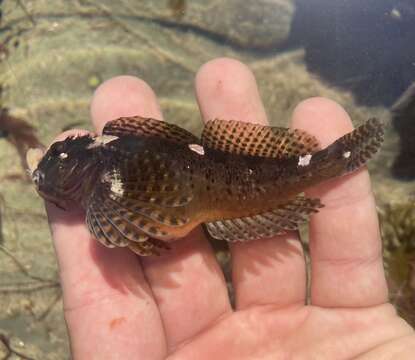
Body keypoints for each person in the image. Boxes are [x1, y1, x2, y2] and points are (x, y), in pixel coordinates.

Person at [46, 58, 415, 359]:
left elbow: (144, 205)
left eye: (58, 167)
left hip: (219, 180)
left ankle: (333, 160)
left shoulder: (108, 179)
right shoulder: (109, 158)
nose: (49, 175)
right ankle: (332, 160)